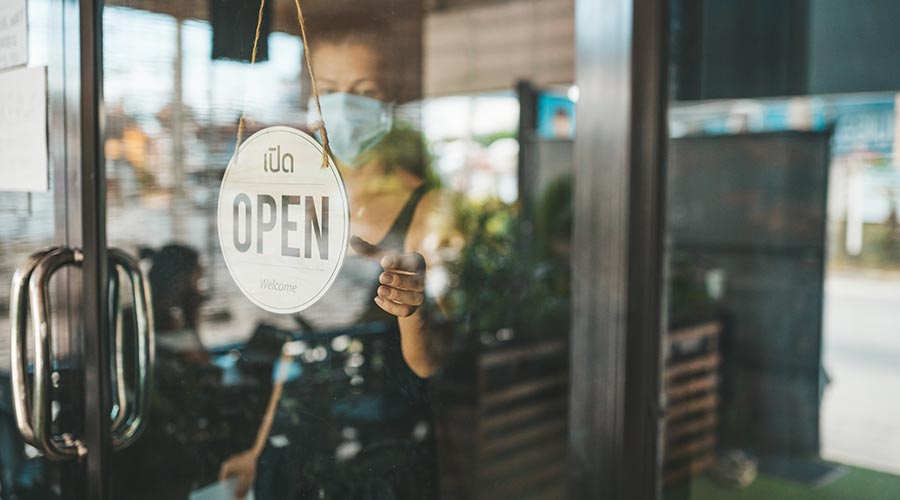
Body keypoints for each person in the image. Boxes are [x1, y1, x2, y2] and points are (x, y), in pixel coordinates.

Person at [219, 12, 454, 500]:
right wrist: (258, 453)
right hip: (306, 448)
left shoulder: (427, 210)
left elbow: (430, 361)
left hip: (382, 454)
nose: (344, 107)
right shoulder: (306, 205)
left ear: (392, 102)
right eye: (329, 90)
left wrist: (411, 307)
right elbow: (295, 347)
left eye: (364, 91)